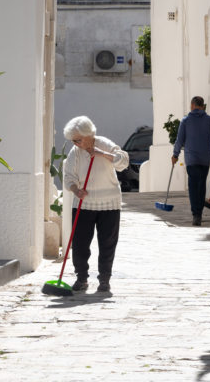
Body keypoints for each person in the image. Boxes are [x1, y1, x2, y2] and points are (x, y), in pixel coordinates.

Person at [62, 115, 129, 292]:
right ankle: (81, 278)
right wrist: (76, 190)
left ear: (89, 134)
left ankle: (104, 280)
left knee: (107, 242)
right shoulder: (75, 153)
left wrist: (101, 154)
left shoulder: (105, 143)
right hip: (83, 204)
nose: (75, 143)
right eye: (73, 140)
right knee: (80, 243)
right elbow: (68, 176)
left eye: (78, 139)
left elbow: (123, 161)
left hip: (109, 203)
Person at [171, 96, 210, 226]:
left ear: (192, 106)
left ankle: (196, 214)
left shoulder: (185, 121)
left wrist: (175, 155)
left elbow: (179, 140)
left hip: (191, 159)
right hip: (206, 159)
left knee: (193, 186)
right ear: (203, 106)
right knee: (201, 184)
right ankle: (198, 213)